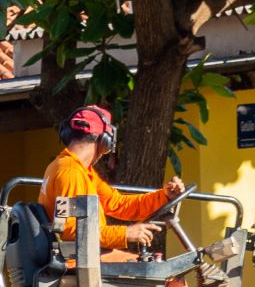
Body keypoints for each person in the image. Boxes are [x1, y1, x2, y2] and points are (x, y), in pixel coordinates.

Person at [38, 103, 187, 255]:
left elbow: (117, 203)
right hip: (78, 261)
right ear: (105, 142)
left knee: (155, 268)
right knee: (165, 276)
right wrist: (124, 234)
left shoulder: (78, 170)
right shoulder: (70, 172)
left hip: (87, 256)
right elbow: (68, 230)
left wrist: (164, 196)